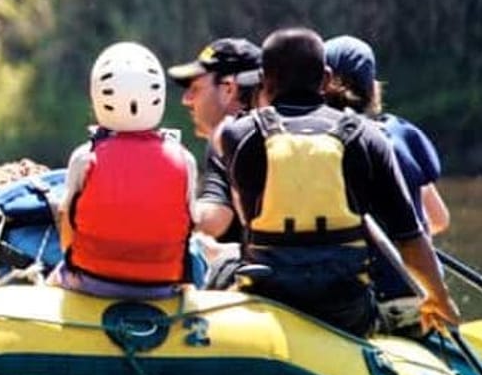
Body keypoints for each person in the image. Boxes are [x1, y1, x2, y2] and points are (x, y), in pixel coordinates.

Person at [198, 27, 458, 337]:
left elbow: (247, 220)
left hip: (268, 295)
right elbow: (410, 237)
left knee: (221, 262)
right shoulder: (366, 136)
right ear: (325, 78)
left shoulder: (238, 136)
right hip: (346, 309)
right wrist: (439, 297)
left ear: (264, 79)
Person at [51, 43, 199, 298]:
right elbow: (190, 225)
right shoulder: (185, 160)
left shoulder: (84, 157)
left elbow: (67, 230)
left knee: (50, 278)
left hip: (89, 281)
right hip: (162, 288)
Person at [324, 34, 451, 329]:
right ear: (372, 88)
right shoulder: (402, 134)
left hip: (365, 301)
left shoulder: (325, 143)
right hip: (417, 296)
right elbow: (438, 220)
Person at [168, 37, 262, 275]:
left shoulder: (229, 135)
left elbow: (214, 220)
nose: (186, 100)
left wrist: (150, 209)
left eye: (195, 89)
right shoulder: (280, 127)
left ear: (229, 88)